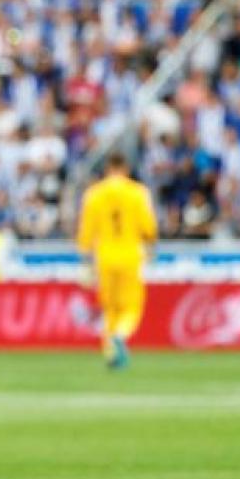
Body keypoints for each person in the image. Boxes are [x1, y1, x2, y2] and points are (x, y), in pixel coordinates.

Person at [76, 152, 158, 369]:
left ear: (107, 169)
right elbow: (149, 227)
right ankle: (121, 336)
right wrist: (150, 246)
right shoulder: (138, 192)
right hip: (130, 255)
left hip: (104, 257)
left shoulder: (94, 194)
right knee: (131, 307)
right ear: (126, 169)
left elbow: (86, 231)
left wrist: (85, 259)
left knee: (109, 308)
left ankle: (111, 354)